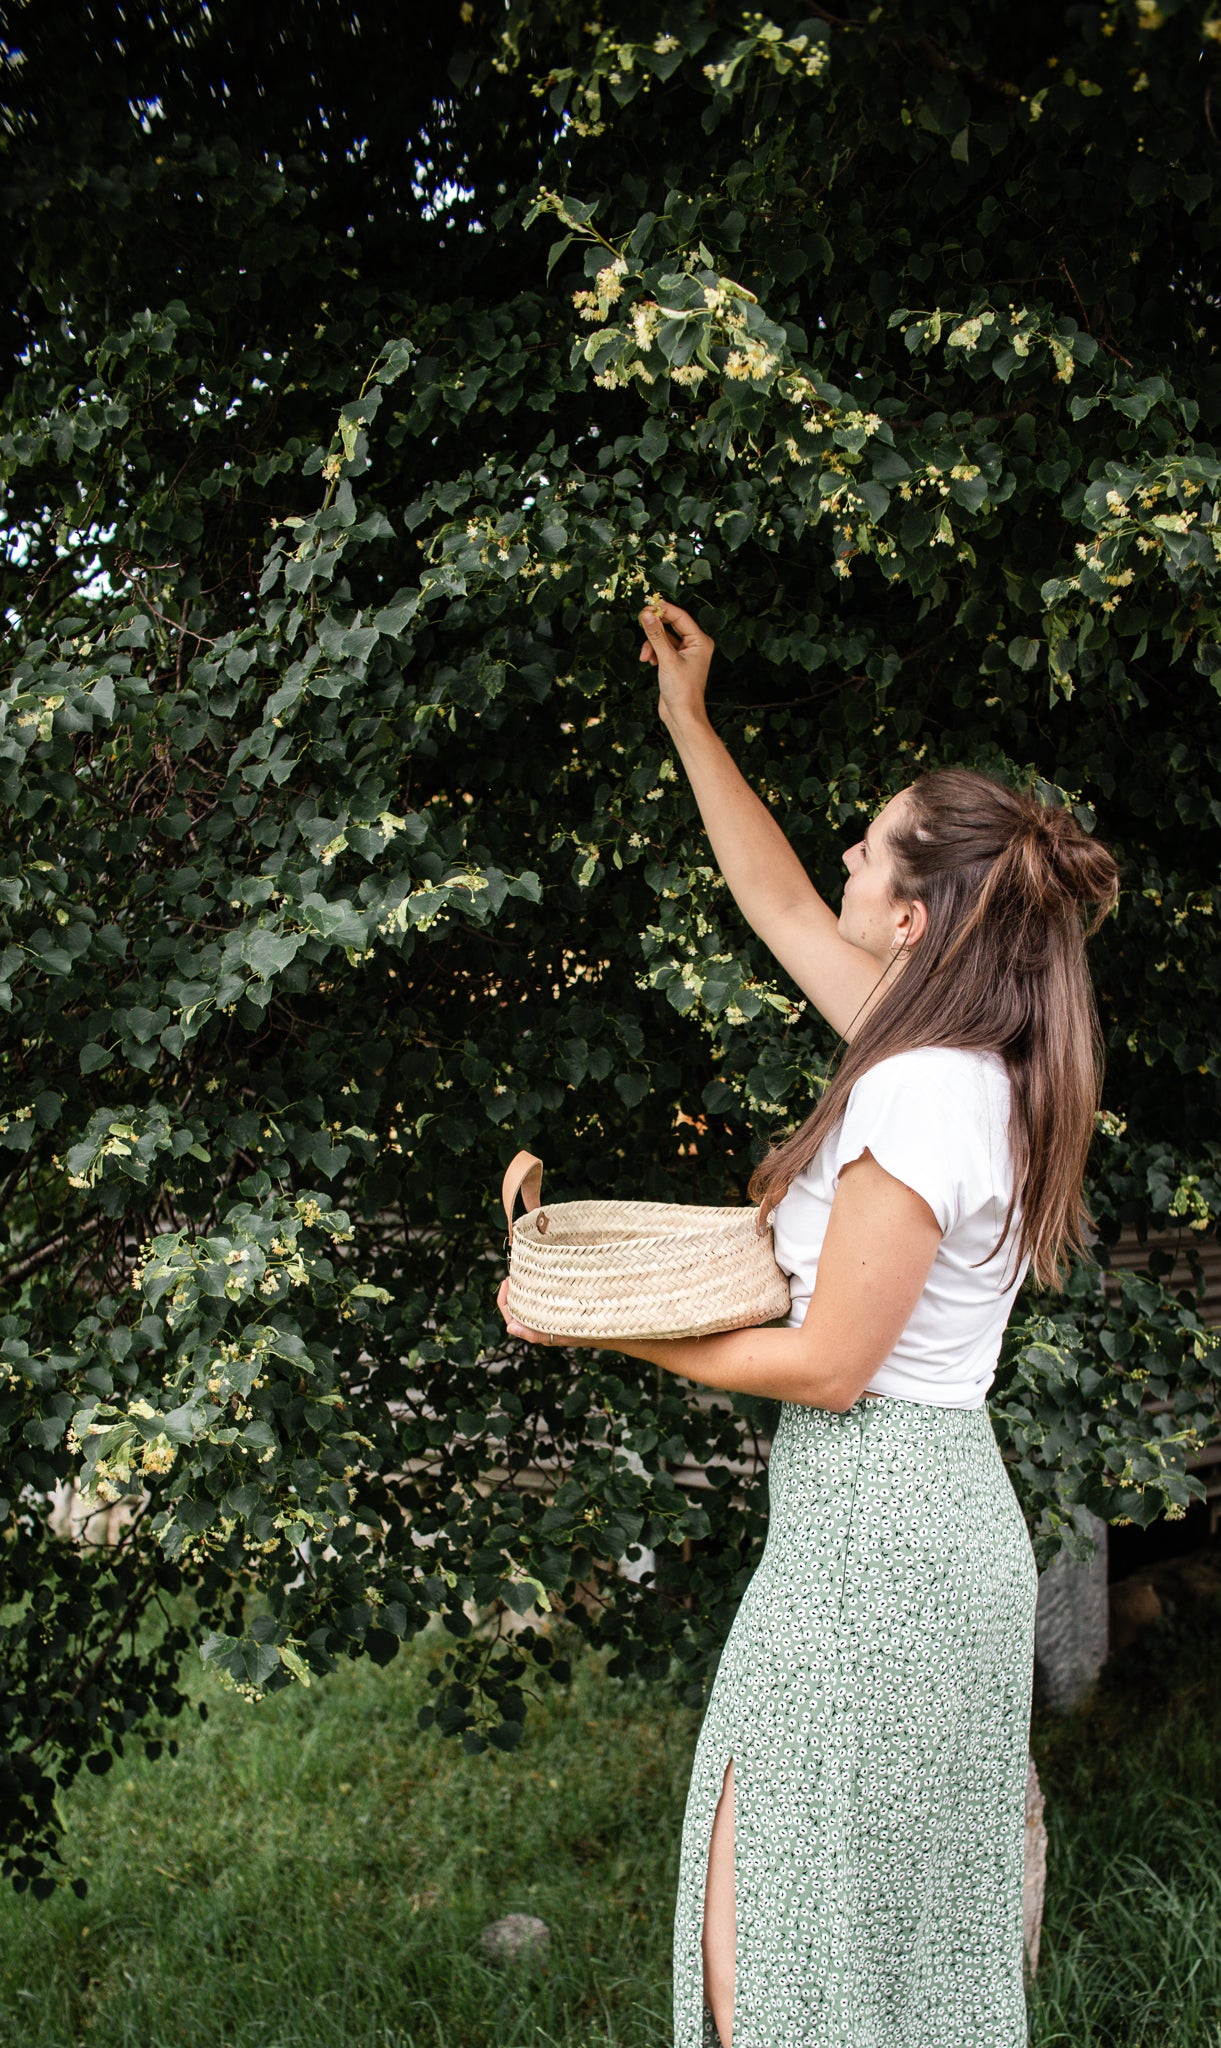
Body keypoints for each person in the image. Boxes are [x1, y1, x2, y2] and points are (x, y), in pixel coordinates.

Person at [499, 600, 1120, 2048]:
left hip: (876, 1536)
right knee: (870, 1956)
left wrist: (591, 1324)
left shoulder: (918, 1088)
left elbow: (834, 1367)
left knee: (768, 1959)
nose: (840, 852)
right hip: (921, 1527)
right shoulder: (966, 1061)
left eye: (868, 842)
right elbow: (777, 903)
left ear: (912, 915)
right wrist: (686, 721)